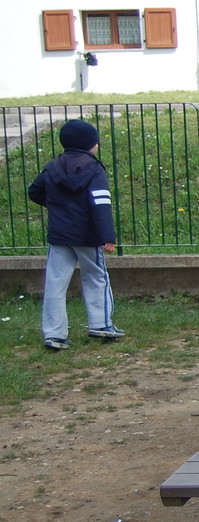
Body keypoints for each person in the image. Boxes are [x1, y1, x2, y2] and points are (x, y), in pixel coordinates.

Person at [27, 119, 125, 350]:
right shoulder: (94, 169)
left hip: (59, 235)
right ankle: (101, 324)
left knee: (55, 282)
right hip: (88, 236)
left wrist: (57, 206)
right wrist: (107, 236)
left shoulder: (52, 166)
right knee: (96, 277)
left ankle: (54, 334)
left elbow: (35, 191)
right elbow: (101, 204)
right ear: (90, 145)